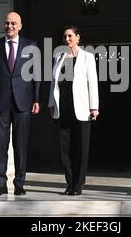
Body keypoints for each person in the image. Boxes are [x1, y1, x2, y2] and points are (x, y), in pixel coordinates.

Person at [0, 11, 40, 196]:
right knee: (1, 144)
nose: (10, 26)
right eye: (7, 23)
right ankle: (1, 183)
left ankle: (20, 183)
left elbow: (36, 76)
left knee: (21, 145)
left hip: (23, 102)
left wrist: (37, 99)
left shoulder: (31, 46)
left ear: (20, 26)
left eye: (14, 23)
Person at [48, 25, 99, 196]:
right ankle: (69, 183)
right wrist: (51, 104)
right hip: (63, 106)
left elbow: (93, 83)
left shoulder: (87, 57)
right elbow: (53, 83)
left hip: (82, 108)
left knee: (81, 148)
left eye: (70, 36)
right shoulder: (59, 57)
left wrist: (94, 107)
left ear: (78, 37)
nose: (67, 39)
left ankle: (78, 184)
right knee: (65, 148)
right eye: (65, 37)